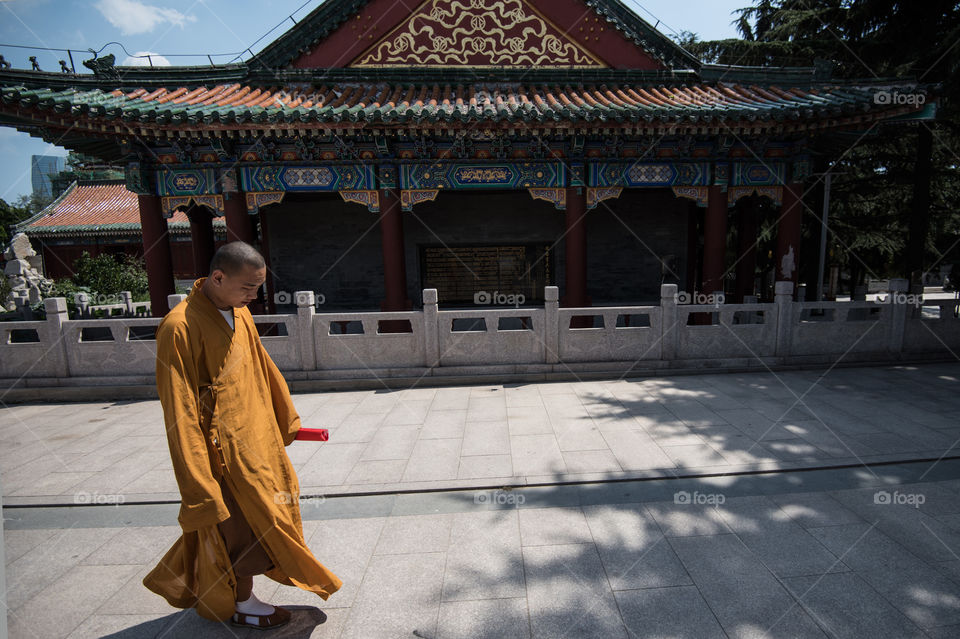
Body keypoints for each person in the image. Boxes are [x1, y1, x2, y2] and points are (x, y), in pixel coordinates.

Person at [143, 241, 342, 630]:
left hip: (256, 439)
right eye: (248, 287)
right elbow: (179, 409)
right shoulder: (178, 327)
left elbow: (261, 369)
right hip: (220, 453)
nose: (254, 296)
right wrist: (198, 479)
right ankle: (239, 600)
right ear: (217, 277)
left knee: (269, 513)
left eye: (258, 287)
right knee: (237, 526)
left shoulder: (240, 313)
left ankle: (224, 590)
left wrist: (286, 420)